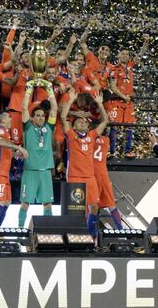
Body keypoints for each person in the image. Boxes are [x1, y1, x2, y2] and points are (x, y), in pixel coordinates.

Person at [61, 90, 108, 240]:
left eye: (84, 121)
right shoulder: (71, 135)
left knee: (94, 206)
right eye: (79, 121)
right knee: (76, 209)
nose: (82, 122)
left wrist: (100, 104)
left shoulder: (92, 135)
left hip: (90, 176)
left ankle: (90, 232)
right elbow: (63, 116)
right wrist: (70, 101)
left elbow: (105, 121)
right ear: (74, 127)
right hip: (75, 176)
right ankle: (75, 235)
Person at [17, 81, 57, 228]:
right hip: (30, 171)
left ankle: (48, 230)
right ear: (33, 118)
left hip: (45, 172)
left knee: (48, 204)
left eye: (42, 116)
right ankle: (21, 229)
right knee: (25, 203)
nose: (41, 118)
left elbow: (54, 109)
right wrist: (29, 90)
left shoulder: (49, 128)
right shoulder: (28, 127)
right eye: (38, 116)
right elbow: (23, 108)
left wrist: (50, 90)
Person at [109, 34, 150, 158]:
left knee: (129, 127)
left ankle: (127, 151)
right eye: (122, 54)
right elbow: (113, 86)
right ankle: (111, 151)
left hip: (129, 102)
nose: (125, 56)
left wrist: (146, 43)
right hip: (116, 101)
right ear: (118, 56)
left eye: (127, 54)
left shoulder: (130, 66)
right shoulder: (114, 69)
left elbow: (140, 55)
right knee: (114, 127)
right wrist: (123, 96)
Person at [93, 133, 123, 229]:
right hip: (104, 174)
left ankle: (91, 232)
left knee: (92, 204)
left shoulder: (89, 139)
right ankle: (121, 229)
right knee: (111, 204)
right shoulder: (106, 140)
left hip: (93, 173)